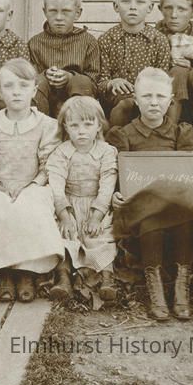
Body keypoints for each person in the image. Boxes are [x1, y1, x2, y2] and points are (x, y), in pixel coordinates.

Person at [108, 68, 193, 321]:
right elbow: (116, 174)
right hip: (141, 210)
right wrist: (116, 194)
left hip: (173, 206)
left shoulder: (180, 133)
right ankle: (155, 288)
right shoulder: (124, 135)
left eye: (160, 96)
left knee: (184, 220)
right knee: (150, 220)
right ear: (136, 100)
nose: (153, 102)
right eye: (146, 96)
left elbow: (188, 176)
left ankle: (181, 287)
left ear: (170, 100)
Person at [0, 58, 63, 303]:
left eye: (23, 86)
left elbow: (49, 164)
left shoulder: (47, 125)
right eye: (9, 86)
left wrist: (33, 184)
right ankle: (3, 273)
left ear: (34, 91)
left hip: (33, 183)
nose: (16, 92)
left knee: (33, 202)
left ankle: (27, 272)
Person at [46, 96, 118, 303]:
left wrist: (97, 216)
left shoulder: (106, 152)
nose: (81, 131)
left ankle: (107, 279)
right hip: (69, 205)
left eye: (88, 124)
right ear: (65, 127)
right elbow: (56, 185)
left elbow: (107, 185)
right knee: (64, 237)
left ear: (99, 126)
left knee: (102, 238)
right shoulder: (61, 153)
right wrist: (64, 215)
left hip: (95, 206)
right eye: (74, 125)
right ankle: (63, 279)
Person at [97, 0, 171, 127]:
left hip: (150, 97)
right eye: (126, 1)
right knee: (126, 104)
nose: (132, 7)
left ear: (150, 7)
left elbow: (162, 78)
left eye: (140, 2)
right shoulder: (106, 40)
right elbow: (100, 81)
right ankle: (115, 137)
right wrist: (112, 83)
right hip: (116, 100)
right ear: (116, 6)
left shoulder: (159, 40)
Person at [28, 0, 100, 118]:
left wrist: (70, 77)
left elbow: (94, 80)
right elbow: (31, 77)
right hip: (46, 100)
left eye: (66, 11)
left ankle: (79, 122)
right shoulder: (35, 43)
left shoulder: (88, 41)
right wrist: (46, 74)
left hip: (77, 96)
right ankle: (39, 124)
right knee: (37, 82)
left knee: (81, 81)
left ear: (77, 13)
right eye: (53, 11)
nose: (59, 17)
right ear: (45, 12)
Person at [154, 0, 193, 125]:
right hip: (164, 92)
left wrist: (192, 66)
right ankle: (169, 128)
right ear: (160, 9)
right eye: (168, 8)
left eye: (182, 9)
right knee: (178, 71)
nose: (174, 15)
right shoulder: (154, 34)